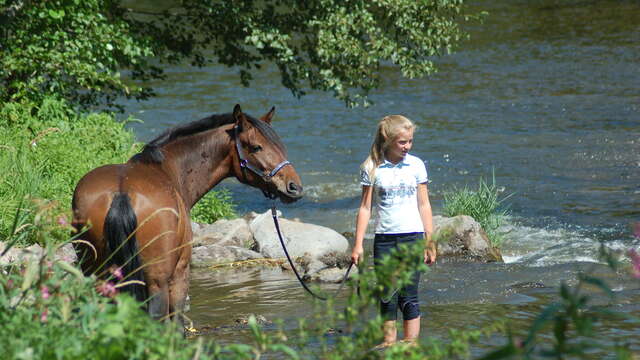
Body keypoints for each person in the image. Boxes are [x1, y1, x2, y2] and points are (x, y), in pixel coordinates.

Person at [350, 114, 436, 346]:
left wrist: (430, 239)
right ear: (388, 140)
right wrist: (358, 245)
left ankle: (411, 344)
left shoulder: (416, 165)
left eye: (410, 141)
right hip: (385, 239)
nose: (407, 146)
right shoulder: (371, 167)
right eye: (402, 142)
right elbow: (365, 207)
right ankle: (388, 344)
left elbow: (424, 204)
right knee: (387, 295)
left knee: (409, 294)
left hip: (413, 237)